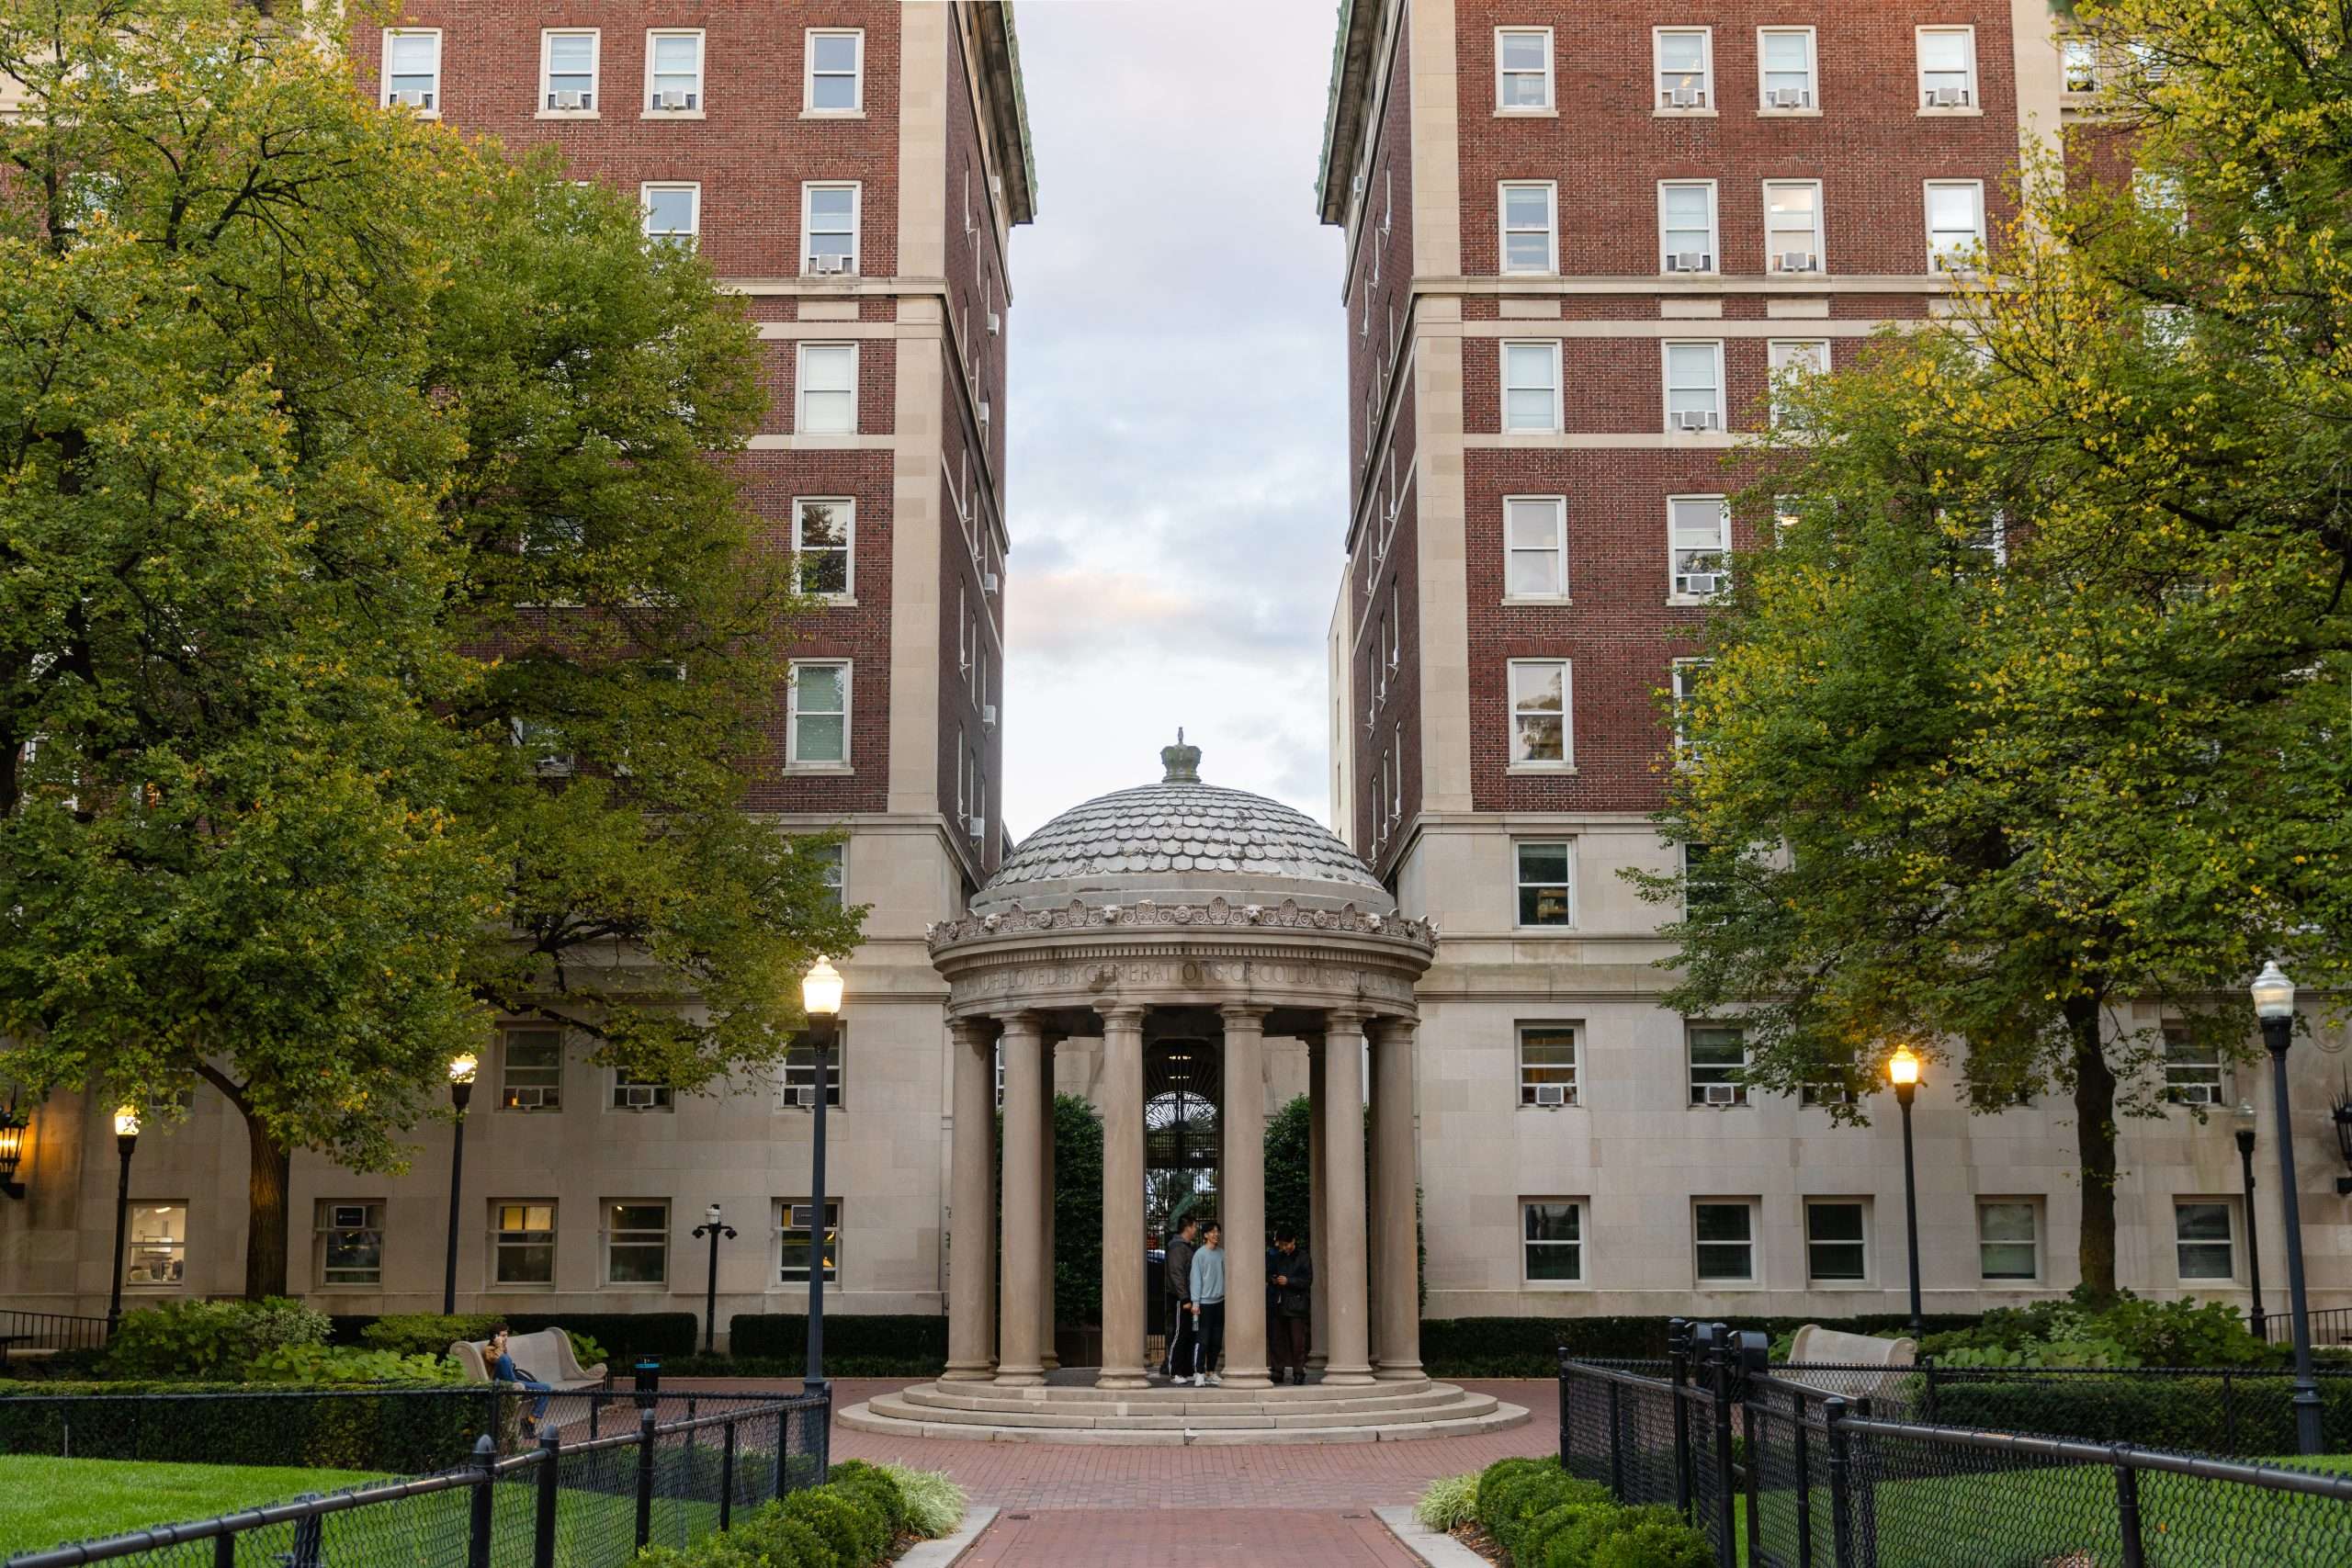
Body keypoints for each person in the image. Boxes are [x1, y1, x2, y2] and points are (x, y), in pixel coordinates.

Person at [486, 1323, 553, 1434]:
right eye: (503, 1335)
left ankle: (530, 1420)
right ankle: (515, 1383)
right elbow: (495, 1360)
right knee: (504, 1359)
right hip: (500, 1382)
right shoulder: (488, 1349)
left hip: (514, 1381)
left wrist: (501, 1347)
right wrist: (499, 1346)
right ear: (495, 1337)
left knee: (546, 1388)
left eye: (507, 1335)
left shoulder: (502, 1348)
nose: (506, 1338)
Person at [1267, 1230, 1313, 1385]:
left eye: (1286, 1244)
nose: (1284, 1247)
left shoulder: (1304, 1258)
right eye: (1282, 1245)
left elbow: (1307, 1281)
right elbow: (1269, 1272)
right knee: (1277, 1340)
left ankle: (1299, 1372)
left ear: (1294, 1241)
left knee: (1298, 1341)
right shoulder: (1277, 1257)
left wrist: (1289, 1281)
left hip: (1296, 1305)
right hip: (1278, 1303)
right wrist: (1273, 1279)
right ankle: (1277, 1371)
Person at [1189, 1221, 1227, 1387]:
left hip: (1220, 1302)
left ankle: (1211, 1371)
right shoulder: (1200, 1255)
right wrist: (1195, 1302)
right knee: (1202, 1340)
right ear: (1205, 1235)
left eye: (1217, 1231)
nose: (1216, 1234)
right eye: (1212, 1232)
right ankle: (1199, 1372)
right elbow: (1195, 1279)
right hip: (1204, 1304)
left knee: (1216, 1341)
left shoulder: (1222, 1254)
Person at [1162, 1216, 1199, 1381]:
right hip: (1180, 1299)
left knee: (1188, 1334)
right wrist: (1184, 1298)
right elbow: (1176, 1274)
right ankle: (1175, 1371)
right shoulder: (1178, 1248)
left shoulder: (1186, 1248)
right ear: (1188, 1227)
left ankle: (1185, 1370)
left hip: (1187, 1297)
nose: (1196, 1229)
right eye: (1195, 1226)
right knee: (1179, 1334)